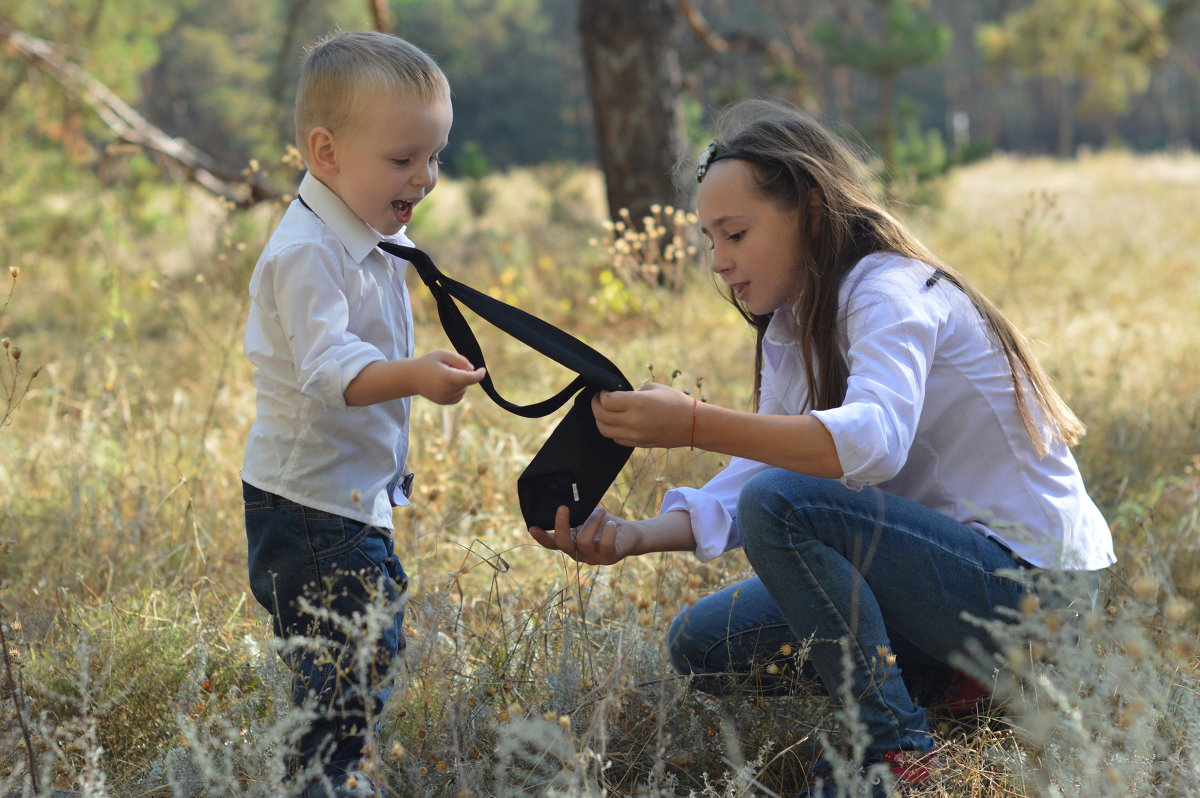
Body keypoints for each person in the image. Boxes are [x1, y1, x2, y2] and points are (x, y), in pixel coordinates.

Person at [528, 98, 1114, 797]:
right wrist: (632, 536)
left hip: (1037, 592)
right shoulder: (795, 320)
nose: (719, 263)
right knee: (702, 643)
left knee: (783, 504)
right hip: (948, 588)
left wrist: (691, 422)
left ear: (808, 208)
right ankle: (961, 688)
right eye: (710, 240)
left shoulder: (889, 290)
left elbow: (872, 444)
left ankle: (893, 756)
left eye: (735, 234)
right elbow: (757, 471)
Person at [241, 30, 485, 798]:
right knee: (343, 669)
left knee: (366, 648)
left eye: (434, 156)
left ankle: (334, 778)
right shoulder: (307, 252)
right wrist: (415, 376)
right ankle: (325, 785)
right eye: (404, 159)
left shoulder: (372, 235)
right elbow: (326, 369)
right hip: (312, 506)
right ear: (327, 152)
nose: (426, 177)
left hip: (346, 499)